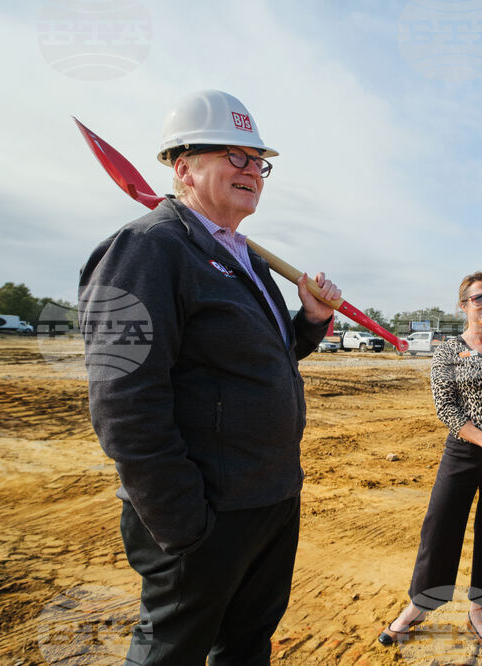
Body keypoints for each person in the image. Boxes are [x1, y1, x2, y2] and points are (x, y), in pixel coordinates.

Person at [78, 89, 340, 664]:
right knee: (172, 653)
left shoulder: (241, 257)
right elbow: (123, 401)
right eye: (235, 156)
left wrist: (311, 321)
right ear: (184, 167)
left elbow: (263, 358)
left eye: (258, 162)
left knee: (245, 649)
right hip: (204, 517)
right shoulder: (147, 249)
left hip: (269, 502)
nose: (252, 172)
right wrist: (183, 523)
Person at [378, 271, 482, 655]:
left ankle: (479, 614)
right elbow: (446, 407)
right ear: (463, 305)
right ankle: (419, 607)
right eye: (479, 298)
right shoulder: (449, 350)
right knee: (440, 527)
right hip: (464, 451)